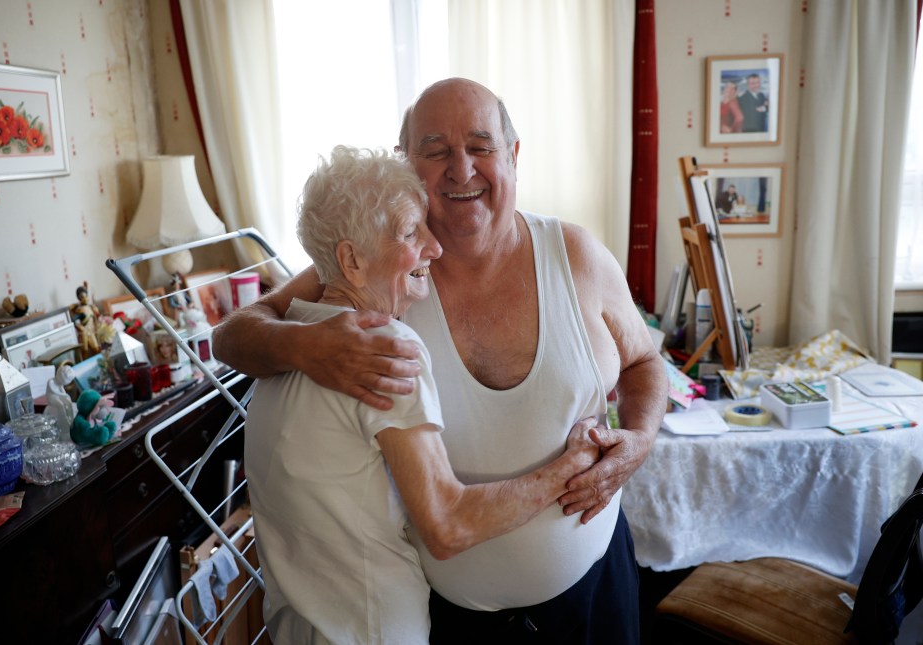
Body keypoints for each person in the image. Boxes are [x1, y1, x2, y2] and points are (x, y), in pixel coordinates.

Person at [215, 78, 667, 643]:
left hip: (595, 595)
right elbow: (233, 334)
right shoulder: (386, 268)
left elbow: (645, 364)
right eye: (435, 151)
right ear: (407, 164)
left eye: (481, 147)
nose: (461, 170)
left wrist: (641, 438)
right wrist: (308, 346)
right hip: (449, 622)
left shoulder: (576, 255)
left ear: (513, 156)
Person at [245, 145, 601, 643]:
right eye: (412, 232)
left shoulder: (280, 351)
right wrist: (570, 467)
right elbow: (447, 526)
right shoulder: (383, 348)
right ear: (351, 259)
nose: (435, 248)